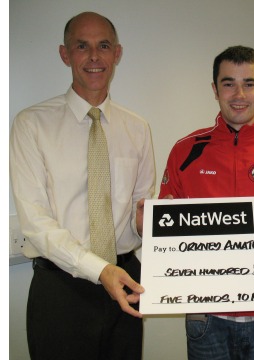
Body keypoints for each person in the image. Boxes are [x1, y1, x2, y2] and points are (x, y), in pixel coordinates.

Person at [9, 12, 155, 360]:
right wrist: (98, 269)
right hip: (61, 288)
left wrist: (152, 223)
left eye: (103, 46)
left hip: (125, 280)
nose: (94, 56)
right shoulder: (31, 125)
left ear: (116, 54)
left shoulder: (137, 128)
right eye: (81, 46)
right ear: (65, 54)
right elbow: (36, 223)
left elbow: (140, 207)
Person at [159, 45, 254, 359]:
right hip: (206, 315)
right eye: (229, 83)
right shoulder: (185, 150)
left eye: (249, 83)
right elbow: (166, 229)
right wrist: (146, 222)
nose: (239, 93)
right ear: (215, 89)